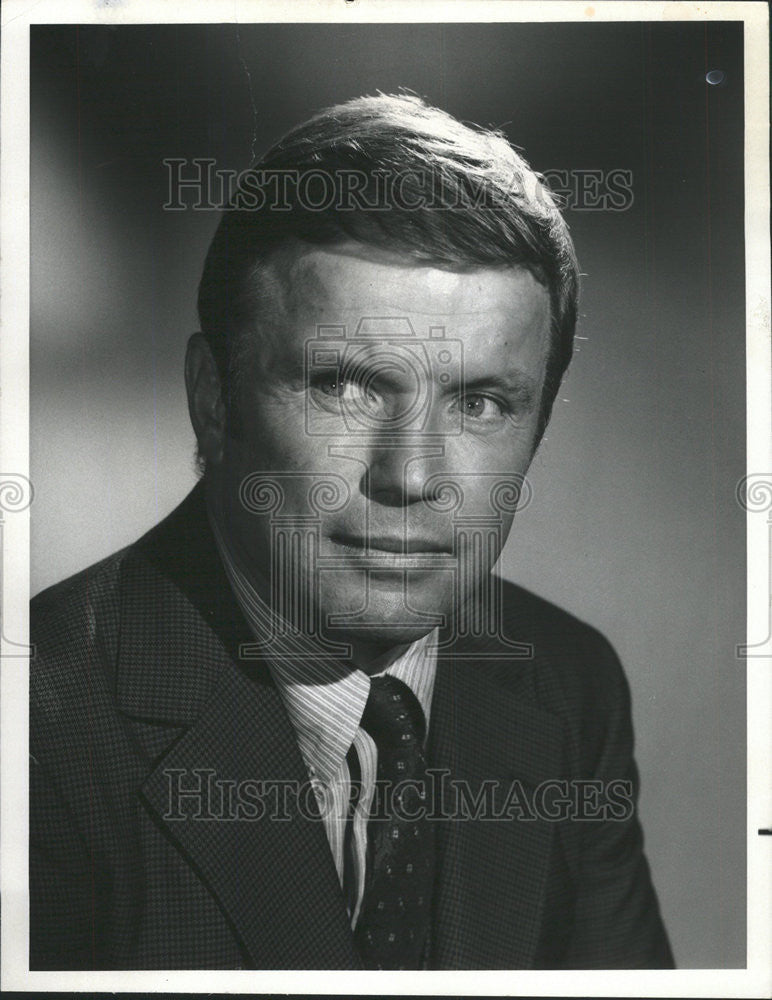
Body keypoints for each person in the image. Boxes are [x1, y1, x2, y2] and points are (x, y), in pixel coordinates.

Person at [30, 94, 674, 970]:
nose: (410, 476)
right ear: (212, 399)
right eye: (346, 388)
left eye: (481, 403)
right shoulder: (36, 726)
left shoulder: (569, 684)